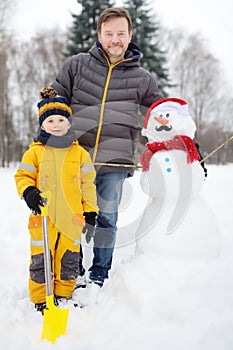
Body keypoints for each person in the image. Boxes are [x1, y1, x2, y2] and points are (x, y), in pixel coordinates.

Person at [51, 7, 163, 287]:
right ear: (99, 35)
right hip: (76, 157)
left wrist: (187, 141)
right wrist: (49, 120)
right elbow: (52, 95)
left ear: (130, 36)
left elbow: (164, 115)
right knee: (71, 215)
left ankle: (99, 273)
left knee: (107, 219)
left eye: (121, 34)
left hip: (115, 162)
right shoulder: (77, 65)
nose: (115, 39)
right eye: (109, 33)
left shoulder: (143, 79)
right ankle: (72, 270)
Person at [14, 87, 98, 313]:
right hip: (43, 218)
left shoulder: (79, 154)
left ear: (69, 123)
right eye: (51, 120)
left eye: (62, 119)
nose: (57, 124)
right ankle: (41, 297)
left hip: (72, 218)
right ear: (42, 125)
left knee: (68, 258)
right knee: (42, 257)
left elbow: (87, 185)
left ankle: (63, 294)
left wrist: (90, 211)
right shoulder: (35, 152)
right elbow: (22, 176)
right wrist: (29, 191)